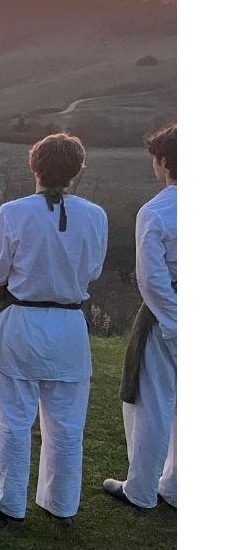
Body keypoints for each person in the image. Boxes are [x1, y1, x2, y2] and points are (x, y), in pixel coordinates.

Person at [0, 133, 108, 526]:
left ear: (35, 167)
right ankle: (61, 504)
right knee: (67, 425)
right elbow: (93, 271)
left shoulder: (12, 213)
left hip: (22, 324)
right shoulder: (96, 216)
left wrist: (10, 299)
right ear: (77, 170)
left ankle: (11, 502)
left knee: (14, 420)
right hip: (69, 327)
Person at [104, 124, 177, 510]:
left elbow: (151, 279)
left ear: (163, 161)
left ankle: (142, 489)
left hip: (168, 314)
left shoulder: (156, 212)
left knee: (152, 403)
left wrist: (175, 322)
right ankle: (176, 487)